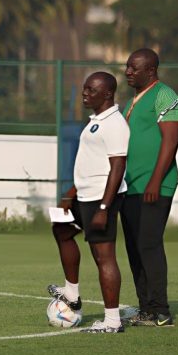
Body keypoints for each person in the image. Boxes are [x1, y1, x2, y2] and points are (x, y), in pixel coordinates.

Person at [49, 72, 128, 333]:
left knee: (104, 257)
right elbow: (89, 161)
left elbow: (118, 167)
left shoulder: (114, 123)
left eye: (91, 90)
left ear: (107, 94)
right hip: (84, 197)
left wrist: (104, 208)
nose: (85, 93)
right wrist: (70, 194)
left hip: (100, 199)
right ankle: (71, 294)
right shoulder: (96, 120)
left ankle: (112, 321)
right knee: (61, 229)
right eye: (84, 88)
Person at [121, 48, 178, 327]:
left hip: (155, 185)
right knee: (134, 247)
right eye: (127, 67)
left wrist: (155, 180)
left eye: (133, 67)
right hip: (131, 187)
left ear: (151, 70)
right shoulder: (130, 102)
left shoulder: (164, 95)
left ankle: (161, 311)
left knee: (149, 244)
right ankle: (146, 308)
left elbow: (171, 141)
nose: (127, 72)